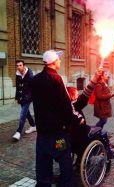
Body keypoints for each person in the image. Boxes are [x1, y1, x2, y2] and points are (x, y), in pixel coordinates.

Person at [30, 50, 81, 187]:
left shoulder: (35, 80)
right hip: (57, 134)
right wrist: (76, 120)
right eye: (58, 59)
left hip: (42, 133)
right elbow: (66, 105)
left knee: (43, 166)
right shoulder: (56, 79)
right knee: (65, 161)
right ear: (54, 62)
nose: (60, 61)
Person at [67, 80, 114, 164]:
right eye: (76, 93)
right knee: (102, 132)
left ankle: (107, 145)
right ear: (72, 96)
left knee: (97, 127)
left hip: (72, 138)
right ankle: (108, 153)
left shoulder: (66, 107)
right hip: (81, 138)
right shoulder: (75, 106)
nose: (78, 94)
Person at [12, 60, 36, 141]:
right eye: (17, 65)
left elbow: (30, 87)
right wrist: (17, 97)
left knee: (23, 114)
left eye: (20, 65)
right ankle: (33, 126)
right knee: (27, 113)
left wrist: (27, 96)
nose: (18, 67)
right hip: (21, 97)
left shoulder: (29, 73)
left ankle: (18, 132)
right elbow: (18, 87)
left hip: (28, 97)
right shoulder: (17, 74)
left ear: (23, 65)